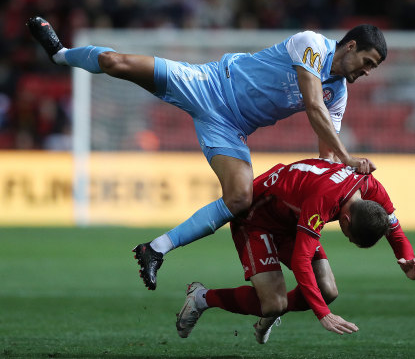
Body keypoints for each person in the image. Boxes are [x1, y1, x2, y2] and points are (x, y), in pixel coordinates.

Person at [26, 17, 387, 290]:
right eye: (368, 62)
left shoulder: (337, 94)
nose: (368, 72)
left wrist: (343, 185)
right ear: (351, 46)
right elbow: (311, 105)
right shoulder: (313, 45)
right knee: (115, 63)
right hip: (208, 84)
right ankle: (61, 55)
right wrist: (348, 156)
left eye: (374, 68)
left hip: (229, 128)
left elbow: (328, 158)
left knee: (240, 197)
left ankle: (156, 248)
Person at [173, 158, 415, 342]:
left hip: (292, 220)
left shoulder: (371, 188)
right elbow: (301, 262)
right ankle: (201, 297)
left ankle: (272, 312)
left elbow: (395, 231)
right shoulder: (323, 201)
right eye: (350, 237)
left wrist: (407, 259)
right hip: (256, 218)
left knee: (327, 290)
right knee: (272, 304)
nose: (347, 239)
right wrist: (323, 315)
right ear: (345, 221)